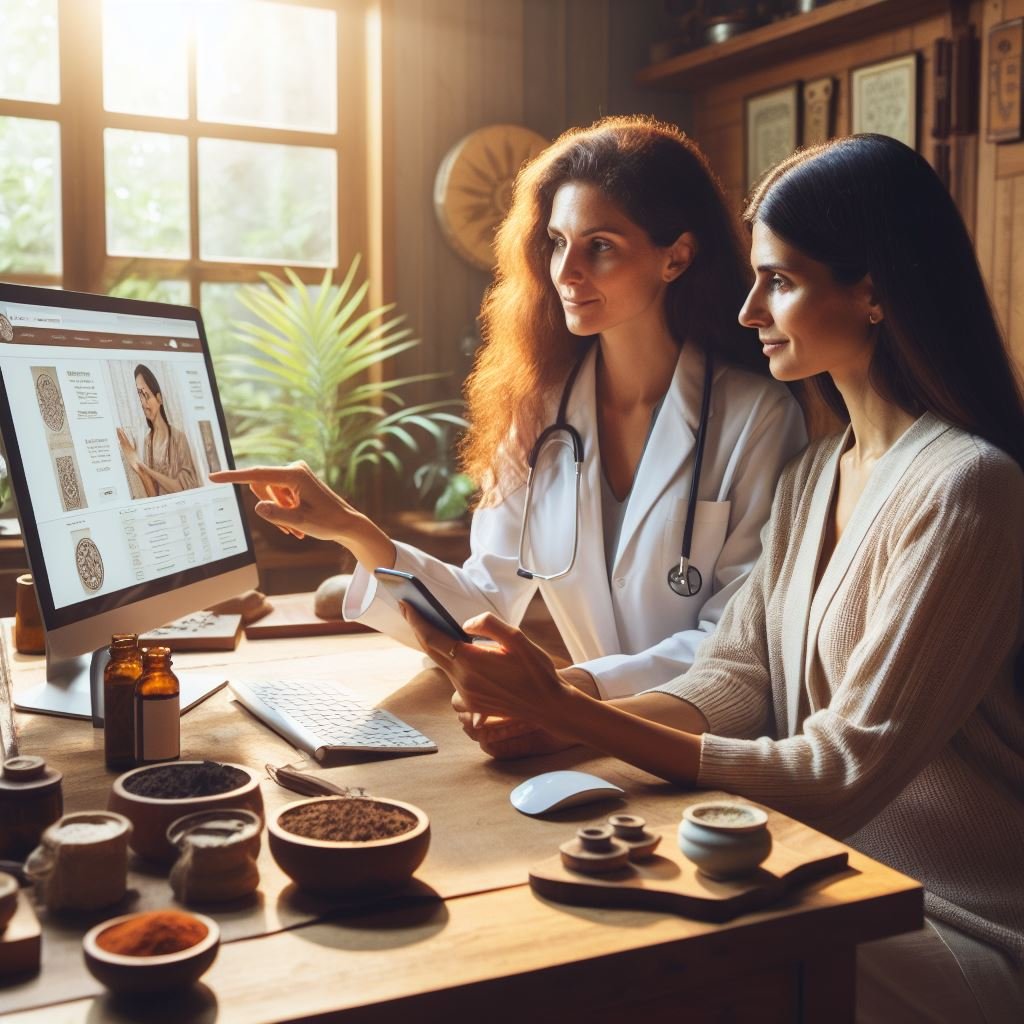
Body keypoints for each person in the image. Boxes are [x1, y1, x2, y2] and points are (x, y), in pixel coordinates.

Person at [405, 134, 1024, 1022]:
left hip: (956, 917)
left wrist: (568, 712)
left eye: (779, 280)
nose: (745, 311)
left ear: (874, 291)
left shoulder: (966, 488)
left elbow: (840, 768)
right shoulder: (820, 472)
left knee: (630, 974)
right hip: (831, 865)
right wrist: (567, 728)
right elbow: (738, 678)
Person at [212, 115, 805, 699]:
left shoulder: (758, 418)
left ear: (674, 258)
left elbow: (733, 643)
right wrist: (354, 531)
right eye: (557, 243)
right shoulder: (541, 413)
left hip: (701, 739)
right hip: (585, 732)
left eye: (600, 246)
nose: (567, 273)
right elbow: (485, 602)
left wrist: (566, 692)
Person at [117, 363, 199, 496]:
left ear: (159, 398)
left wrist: (144, 468)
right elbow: (153, 495)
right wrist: (139, 469)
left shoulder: (178, 438)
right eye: (140, 397)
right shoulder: (147, 442)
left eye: (146, 395)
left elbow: (183, 488)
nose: (143, 404)